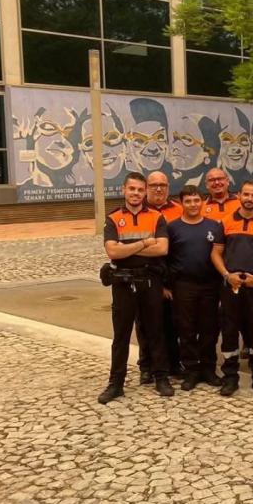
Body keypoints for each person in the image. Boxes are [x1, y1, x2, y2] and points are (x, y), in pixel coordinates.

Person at [98, 172, 172, 404]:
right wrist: (144, 243)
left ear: (145, 192)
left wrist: (127, 248)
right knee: (121, 336)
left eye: (140, 190)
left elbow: (162, 249)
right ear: (124, 190)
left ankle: (161, 378)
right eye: (132, 189)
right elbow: (112, 251)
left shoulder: (157, 217)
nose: (136, 193)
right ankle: (116, 383)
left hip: (150, 281)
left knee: (155, 331)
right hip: (123, 283)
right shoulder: (113, 218)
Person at [210, 180, 253, 396]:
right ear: (239, 195)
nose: (250, 199)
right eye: (246, 194)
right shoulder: (225, 222)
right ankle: (230, 377)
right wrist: (226, 275)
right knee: (229, 330)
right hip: (231, 284)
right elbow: (215, 253)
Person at [165, 185, 222, 391]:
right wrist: (166, 285)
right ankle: (191, 370)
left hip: (210, 285)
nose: (193, 204)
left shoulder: (214, 226)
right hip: (183, 285)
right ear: (181, 203)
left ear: (203, 202)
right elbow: (165, 258)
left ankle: (208, 369)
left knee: (210, 329)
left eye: (196, 200)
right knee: (186, 330)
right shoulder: (172, 228)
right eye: (188, 201)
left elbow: (221, 255)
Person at [137, 171, 182, 385]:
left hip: (174, 275)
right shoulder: (140, 211)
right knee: (145, 324)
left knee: (172, 323)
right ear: (146, 188)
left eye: (162, 185)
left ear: (168, 188)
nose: (158, 188)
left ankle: (174, 363)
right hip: (147, 275)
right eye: (154, 185)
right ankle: (146, 366)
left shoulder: (179, 210)